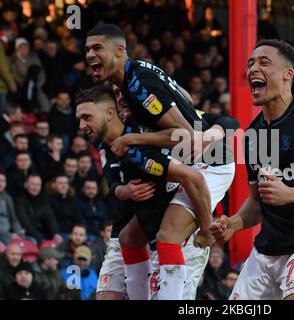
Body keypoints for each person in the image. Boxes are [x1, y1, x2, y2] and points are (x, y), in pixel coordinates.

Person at [85, 24, 237, 299]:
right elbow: (185, 98)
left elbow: (184, 137)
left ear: (120, 51)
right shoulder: (139, 78)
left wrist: (133, 140)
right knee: (131, 237)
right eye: (87, 49)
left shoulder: (137, 86)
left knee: (169, 235)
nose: (89, 54)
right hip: (189, 167)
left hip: (209, 164)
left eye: (97, 48)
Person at [210, 39, 294, 300]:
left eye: (264, 62)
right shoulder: (252, 134)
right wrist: (234, 223)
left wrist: (291, 194)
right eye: (250, 64)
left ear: (288, 74)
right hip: (264, 252)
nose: (252, 69)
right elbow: (257, 200)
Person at [75, 85, 213, 300]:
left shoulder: (143, 139)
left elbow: (194, 174)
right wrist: (124, 190)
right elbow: (113, 185)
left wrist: (207, 228)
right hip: (134, 232)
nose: (81, 125)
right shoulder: (105, 146)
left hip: (173, 235)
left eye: (86, 117)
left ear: (108, 113)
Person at [14, 174, 62, 244]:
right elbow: (25, 223)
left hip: (42, 233)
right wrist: (40, 238)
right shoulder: (19, 200)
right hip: (28, 234)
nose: (36, 188)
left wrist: (55, 233)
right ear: (26, 185)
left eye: (38, 185)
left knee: (59, 240)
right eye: (33, 184)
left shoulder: (43, 199)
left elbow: (50, 218)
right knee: (35, 242)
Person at [0, 172, 24, 244]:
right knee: (12, 244)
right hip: (3, 235)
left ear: (6, 184)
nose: (0, 183)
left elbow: (13, 219)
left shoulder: (7, 198)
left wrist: (19, 232)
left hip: (9, 233)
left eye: (3, 181)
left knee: (30, 241)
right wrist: (10, 235)